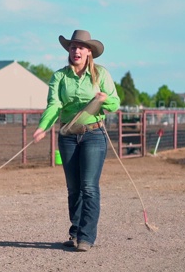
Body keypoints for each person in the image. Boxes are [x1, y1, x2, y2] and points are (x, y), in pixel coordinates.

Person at [32, 29, 120, 252]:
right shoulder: (60, 77)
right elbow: (54, 105)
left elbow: (115, 104)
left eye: (81, 47)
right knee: (74, 188)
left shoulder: (101, 75)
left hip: (94, 134)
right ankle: (75, 231)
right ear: (69, 51)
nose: (76, 50)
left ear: (89, 52)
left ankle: (86, 237)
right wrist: (43, 127)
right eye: (73, 47)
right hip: (68, 136)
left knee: (89, 186)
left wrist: (104, 99)